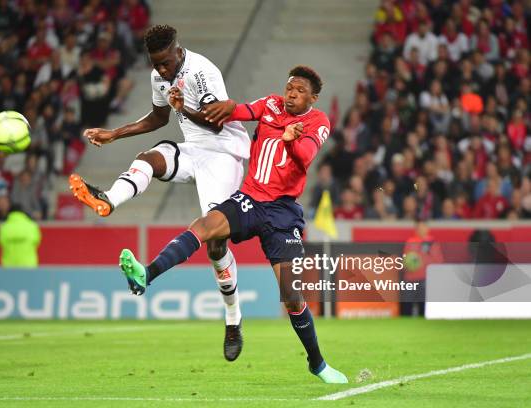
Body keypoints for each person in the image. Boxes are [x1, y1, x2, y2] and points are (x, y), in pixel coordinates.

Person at [118, 66, 348, 384]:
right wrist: (191, 106)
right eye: (289, 87)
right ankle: (147, 274)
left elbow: (306, 157)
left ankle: (318, 363)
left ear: (313, 97)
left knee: (292, 295)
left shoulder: (317, 121)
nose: (291, 93)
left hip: (283, 212)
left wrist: (292, 140)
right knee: (204, 226)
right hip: (250, 199)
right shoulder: (270, 104)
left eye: (299, 90)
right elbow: (237, 110)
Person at [68, 25, 249, 361]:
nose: (161, 70)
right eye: (156, 64)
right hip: (195, 149)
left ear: (178, 50)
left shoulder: (203, 72)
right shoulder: (158, 76)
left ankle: (233, 318)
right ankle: (109, 199)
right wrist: (115, 133)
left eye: (165, 63)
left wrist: (184, 107)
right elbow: (158, 117)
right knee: (150, 157)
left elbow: (217, 122)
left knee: (215, 243)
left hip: (225, 154)